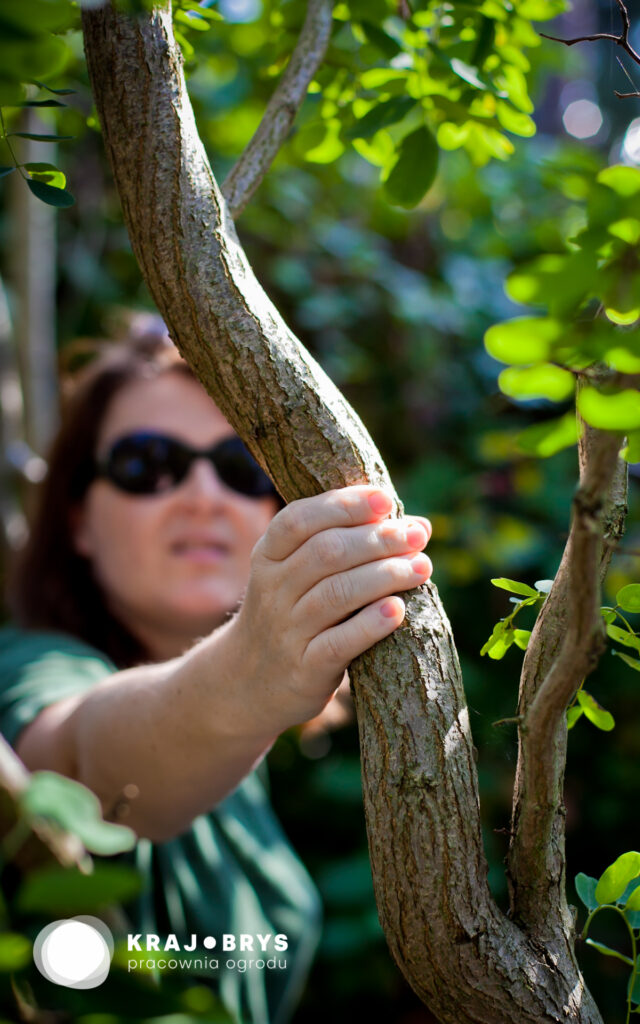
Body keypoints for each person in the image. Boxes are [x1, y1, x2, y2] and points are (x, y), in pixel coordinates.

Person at [0, 321, 433, 1023]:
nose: (203, 494)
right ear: (78, 517)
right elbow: (67, 763)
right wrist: (245, 681)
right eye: (147, 462)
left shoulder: (246, 762)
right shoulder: (30, 664)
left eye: (239, 467)